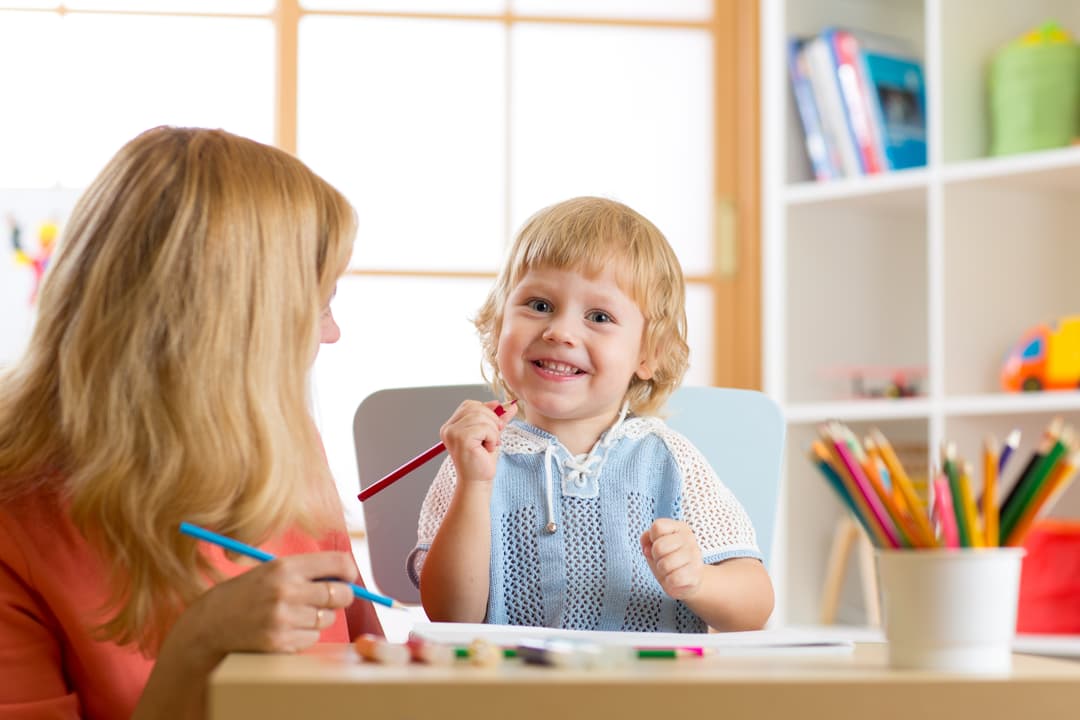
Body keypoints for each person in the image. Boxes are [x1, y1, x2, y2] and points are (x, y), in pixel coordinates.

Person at [0, 126, 383, 720]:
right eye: (322, 301)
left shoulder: (288, 441)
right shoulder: (16, 518)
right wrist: (198, 644)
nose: (332, 332)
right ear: (233, 323)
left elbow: (369, 670)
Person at [410, 196, 774, 633]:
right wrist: (474, 483)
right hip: (509, 694)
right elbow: (451, 614)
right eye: (539, 305)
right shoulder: (476, 461)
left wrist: (700, 580)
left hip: (647, 696)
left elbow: (755, 605)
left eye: (599, 316)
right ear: (497, 323)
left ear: (648, 354)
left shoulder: (671, 460)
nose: (560, 332)